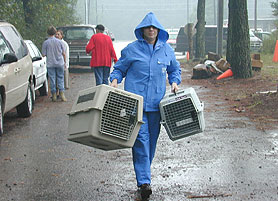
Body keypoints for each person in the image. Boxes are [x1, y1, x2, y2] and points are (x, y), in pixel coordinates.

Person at [110, 12, 181, 200]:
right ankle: (144, 182)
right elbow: (119, 68)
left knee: (151, 142)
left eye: (154, 27)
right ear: (142, 30)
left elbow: (174, 69)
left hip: (157, 106)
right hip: (136, 104)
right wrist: (115, 80)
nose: (151, 30)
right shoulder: (131, 50)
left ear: (159, 31)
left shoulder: (167, 50)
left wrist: (174, 82)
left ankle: (143, 176)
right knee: (140, 141)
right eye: (148, 27)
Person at [42, 25, 67, 102]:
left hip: (50, 63)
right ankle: (62, 93)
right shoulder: (60, 42)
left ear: (48, 33)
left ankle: (54, 95)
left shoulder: (46, 43)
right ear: (55, 32)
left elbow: (43, 54)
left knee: (52, 79)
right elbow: (63, 53)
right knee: (60, 78)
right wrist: (65, 62)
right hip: (60, 62)